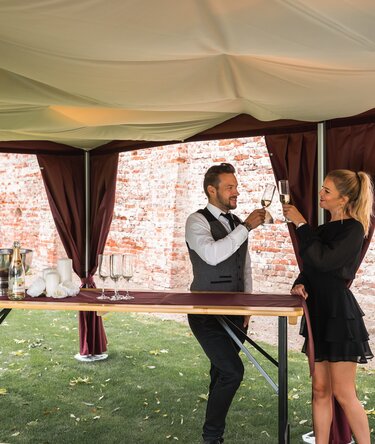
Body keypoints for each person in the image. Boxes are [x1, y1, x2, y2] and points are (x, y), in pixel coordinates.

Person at [282, 169, 373, 444]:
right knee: (320, 390)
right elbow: (311, 269)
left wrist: (300, 223)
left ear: (343, 199)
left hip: (339, 316)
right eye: (322, 188)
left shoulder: (355, 230)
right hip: (318, 314)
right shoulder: (321, 230)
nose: (320, 194)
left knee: (344, 394)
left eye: (327, 191)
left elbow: (324, 261)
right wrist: (299, 283)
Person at [185, 162, 266, 444]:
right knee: (233, 372)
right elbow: (211, 254)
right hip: (205, 313)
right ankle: (211, 437)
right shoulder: (196, 221)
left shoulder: (234, 222)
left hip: (235, 312)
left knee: (221, 373)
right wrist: (246, 227)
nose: (236, 192)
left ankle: (212, 437)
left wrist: (248, 307)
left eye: (236, 186)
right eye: (230, 187)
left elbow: (245, 267)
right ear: (212, 190)